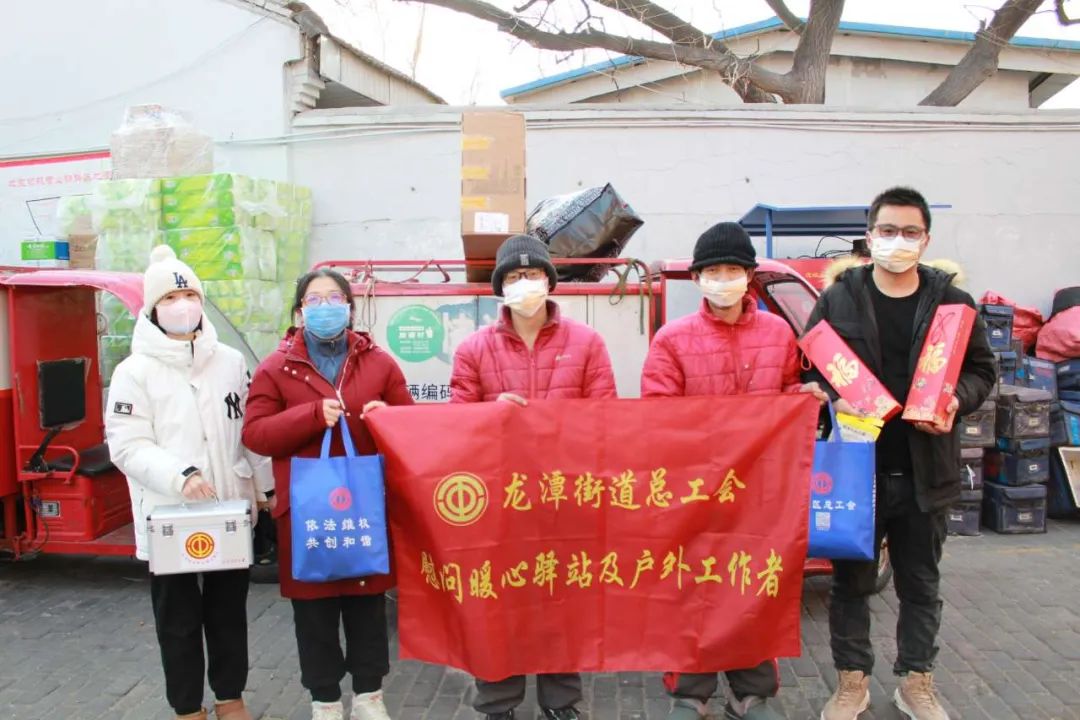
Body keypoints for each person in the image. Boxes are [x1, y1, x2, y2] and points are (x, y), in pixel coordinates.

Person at [804, 187, 996, 720]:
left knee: (920, 585)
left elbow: (983, 371)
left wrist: (958, 399)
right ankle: (852, 683)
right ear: (870, 236)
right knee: (851, 585)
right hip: (856, 470)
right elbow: (809, 364)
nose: (898, 241)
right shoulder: (839, 298)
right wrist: (829, 394)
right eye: (887, 230)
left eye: (910, 232)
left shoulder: (953, 303)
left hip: (925, 469)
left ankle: (916, 682)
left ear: (926, 239)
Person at [641, 222, 826, 720]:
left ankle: (752, 692)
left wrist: (802, 397)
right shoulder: (672, 339)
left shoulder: (777, 332)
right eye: (714, 270)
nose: (723, 279)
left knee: (755, 584)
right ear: (698, 278)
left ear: (749, 276)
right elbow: (658, 414)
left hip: (761, 488)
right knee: (693, 588)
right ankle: (691, 692)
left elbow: (785, 392)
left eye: (733, 270)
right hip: (696, 489)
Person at [450, 234, 617, 720]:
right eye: (516, 276)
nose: (526, 283)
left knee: (562, 601)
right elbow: (456, 423)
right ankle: (497, 702)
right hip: (500, 499)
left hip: (565, 494)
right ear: (501, 287)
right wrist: (491, 414)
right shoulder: (474, 349)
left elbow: (605, 418)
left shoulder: (586, 343)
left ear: (550, 281)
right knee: (498, 601)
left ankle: (560, 701)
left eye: (534, 274)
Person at [106, 245, 273, 720]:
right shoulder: (134, 372)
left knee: (228, 613)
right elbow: (127, 444)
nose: (182, 305)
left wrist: (264, 488)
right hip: (168, 515)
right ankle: (187, 707)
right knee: (177, 620)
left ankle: (230, 698)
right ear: (153, 309)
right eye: (170, 298)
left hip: (228, 509)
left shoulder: (230, 362)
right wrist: (180, 475)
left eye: (190, 295)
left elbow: (250, 431)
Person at [242, 269, 414, 720]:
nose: (325, 307)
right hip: (307, 513)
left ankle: (369, 696)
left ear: (350, 308)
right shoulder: (276, 368)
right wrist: (310, 416)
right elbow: (256, 434)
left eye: (334, 298)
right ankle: (325, 700)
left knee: (366, 606)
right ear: (299, 312)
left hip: (364, 507)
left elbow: (410, 425)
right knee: (314, 614)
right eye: (313, 300)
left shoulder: (379, 363)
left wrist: (385, 417)